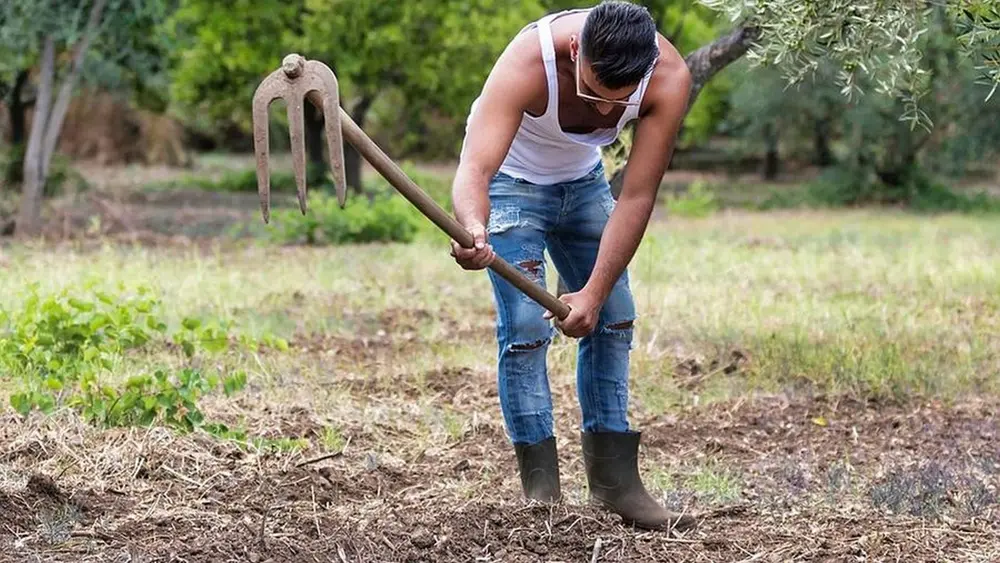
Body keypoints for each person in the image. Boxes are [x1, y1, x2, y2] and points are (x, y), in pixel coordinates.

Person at [449, 1, 693, 531]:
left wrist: (594, 292)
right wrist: (473, 225)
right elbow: (476, 166)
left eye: (620, 102)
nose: (607, 114)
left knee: (615, 316)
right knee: (527, 326)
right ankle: (544, 497)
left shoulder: (669, 77)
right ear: (577, 51)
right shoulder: (528, 60)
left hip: (583, 185)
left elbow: (635, 197)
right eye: (594, 95)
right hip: (510, 183)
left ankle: (616, 487)